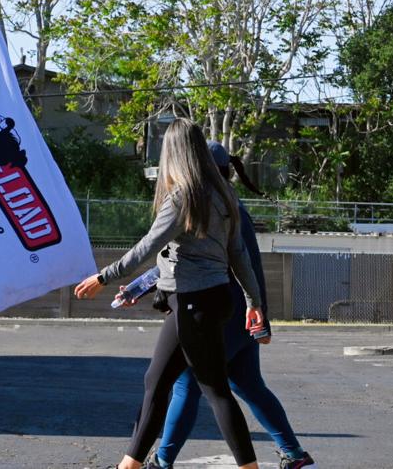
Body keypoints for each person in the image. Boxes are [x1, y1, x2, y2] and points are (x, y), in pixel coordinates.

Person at [74, 118, 266, 469]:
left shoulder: (184, 197)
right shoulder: (224, 194)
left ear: (174, 154)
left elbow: (148, 246)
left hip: (194, 302)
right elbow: (238, 254)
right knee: (159, 381)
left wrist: (104, 276)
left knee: (214, 390)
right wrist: (253, 302)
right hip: (211, 299)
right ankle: (129, 465)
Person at [126, 142, 314, 469]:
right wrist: (140, 285)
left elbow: (245, 263)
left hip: (220, 314)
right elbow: (182, 259)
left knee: (188, 383)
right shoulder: (225, 202)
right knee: (248, 385)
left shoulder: (219, 207)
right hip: (237, 316)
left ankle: (162, 461)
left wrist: (260, 315)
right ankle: (295, 455)